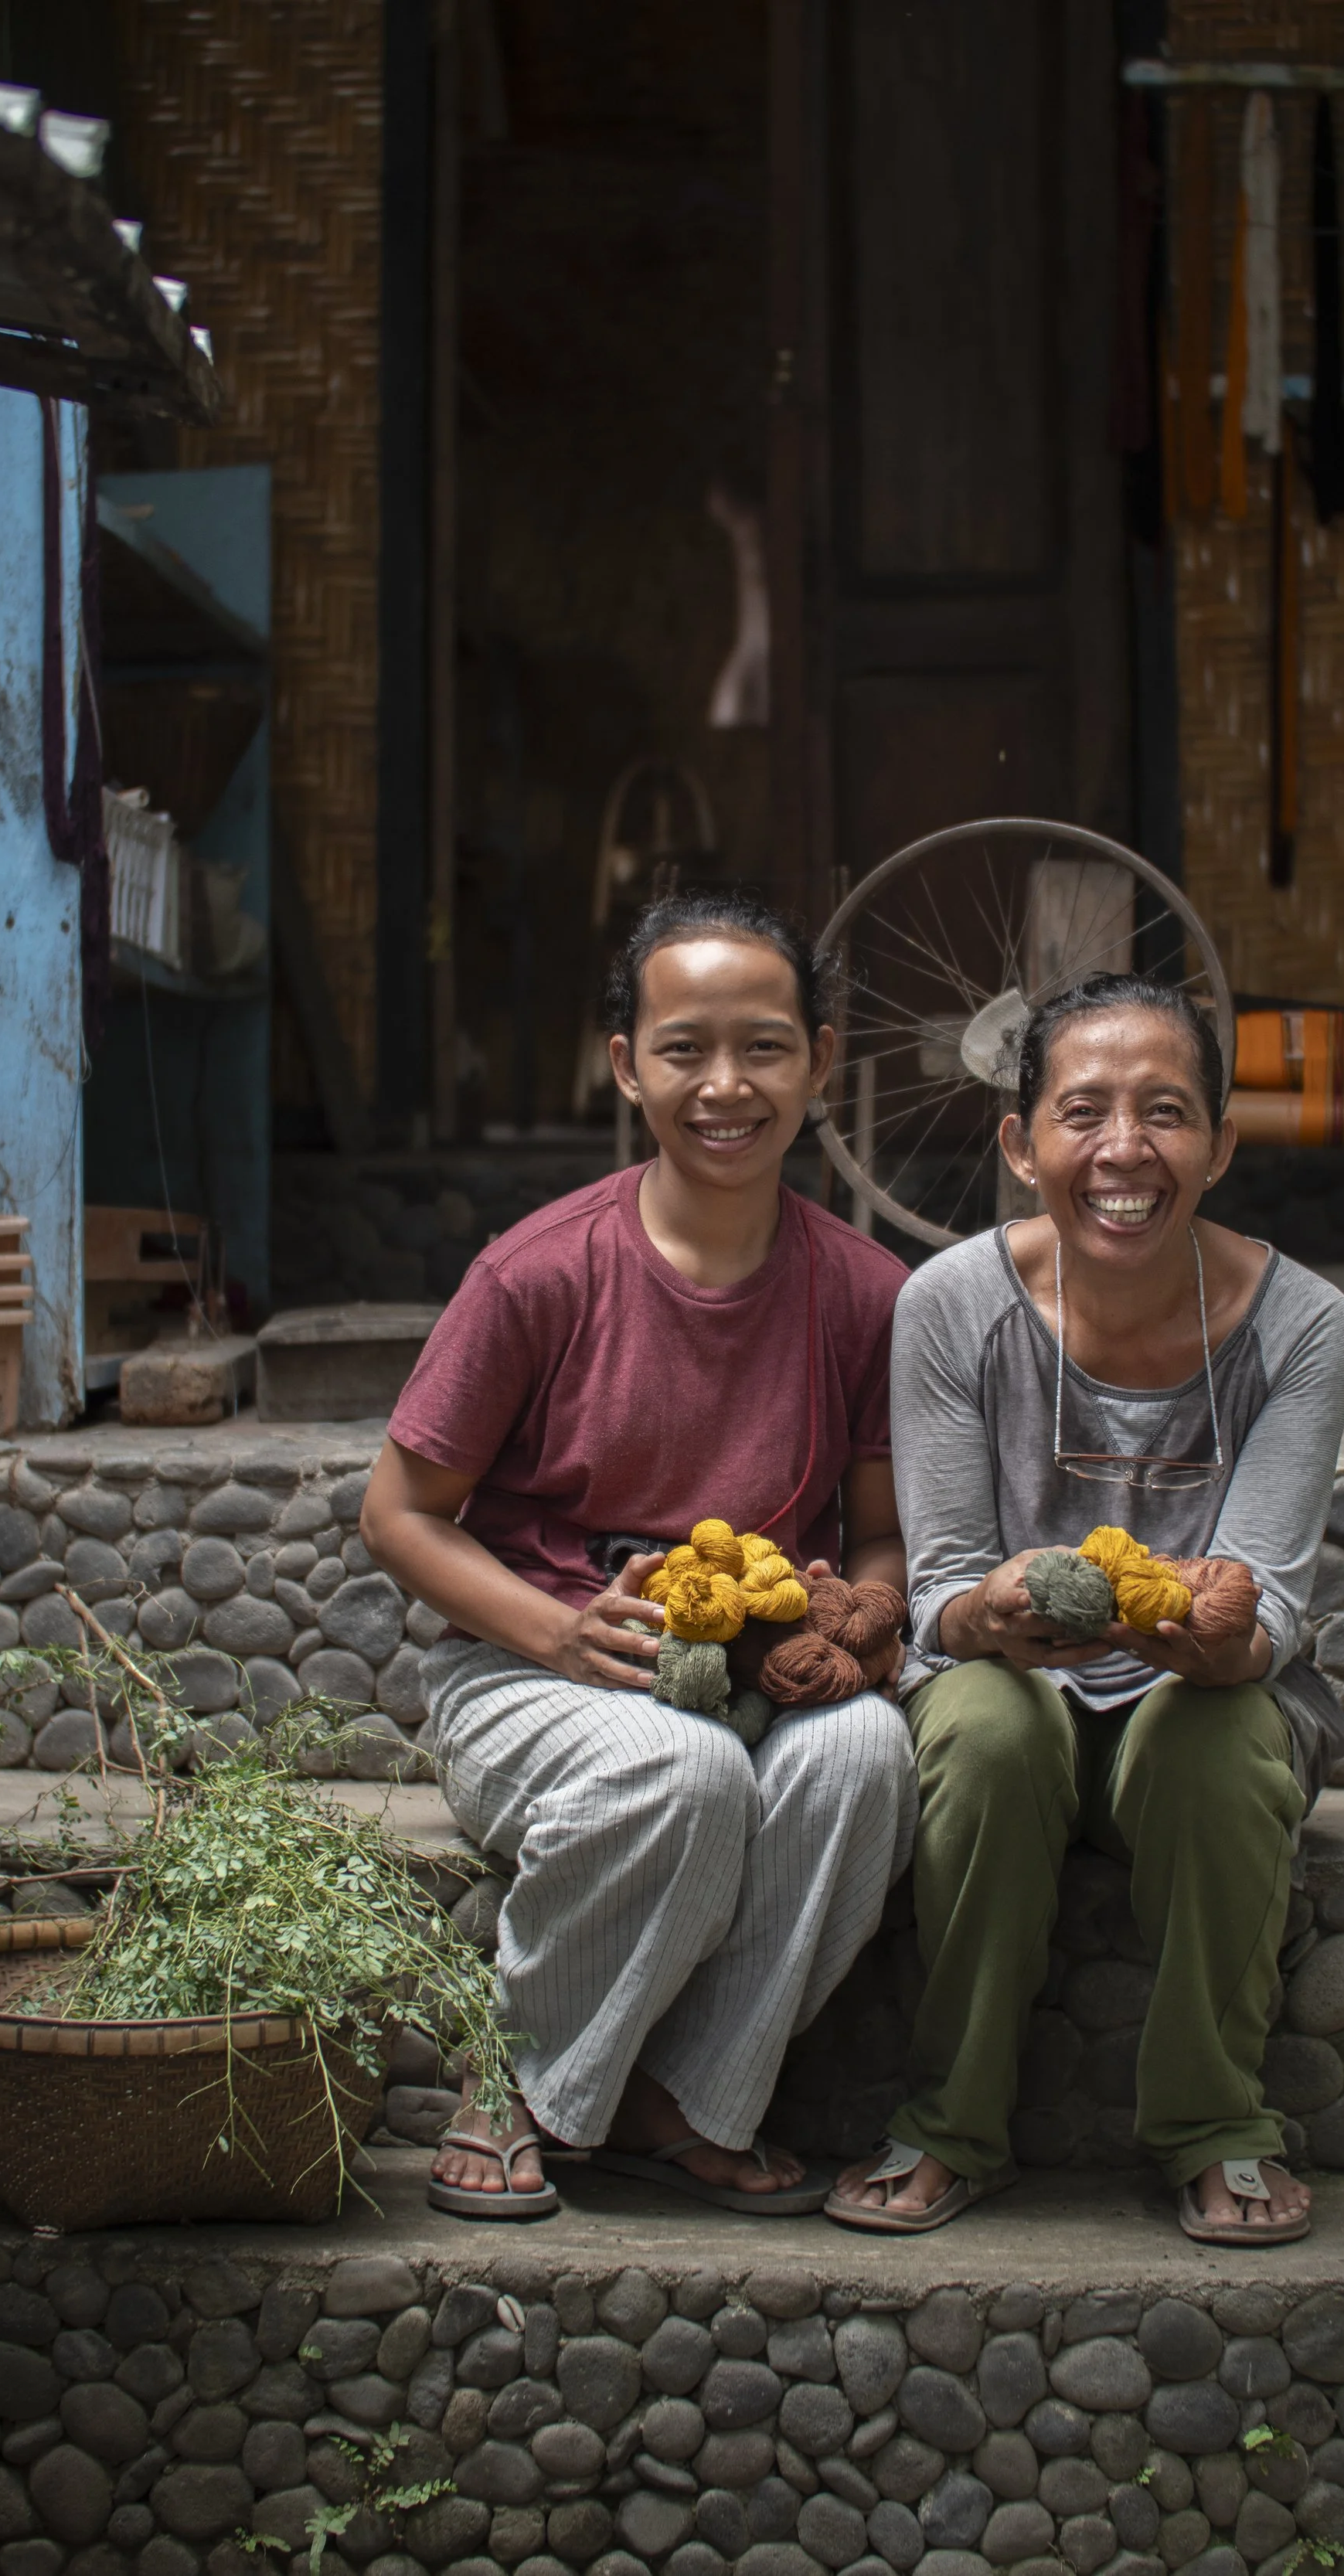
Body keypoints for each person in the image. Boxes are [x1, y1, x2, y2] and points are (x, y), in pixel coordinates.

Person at [362, 889, 917, 2219]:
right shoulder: (541, 1275)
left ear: (820, 1063)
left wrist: (860, 1614)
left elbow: (882, 1532)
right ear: (627, 1065)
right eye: (684, 1049)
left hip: (762, 1675)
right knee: (684, 1766)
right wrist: (557, 1634)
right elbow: (399, 1513)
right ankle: (518, 2079)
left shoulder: (866, 1293)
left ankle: (686, 2097)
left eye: (765, 1047)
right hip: (531, 1678)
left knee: (865, 1757)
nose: (725, 1086)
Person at [825, 972, 1344, 2243]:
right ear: (1022, 1145)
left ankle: (1215, 2122)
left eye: (1166, 1112)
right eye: (1085, 1112)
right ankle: (953, 2122)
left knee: (1215, 1743)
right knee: (987, 1730)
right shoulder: (951, 1305)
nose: (1125, 1149)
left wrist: (1217, 1638)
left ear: (1221, 1146)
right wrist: (988, 1614)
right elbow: (940, 1590)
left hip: (1203, 1703)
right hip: (1016, 1686)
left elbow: (1268, 1602)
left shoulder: (1303, 1323)